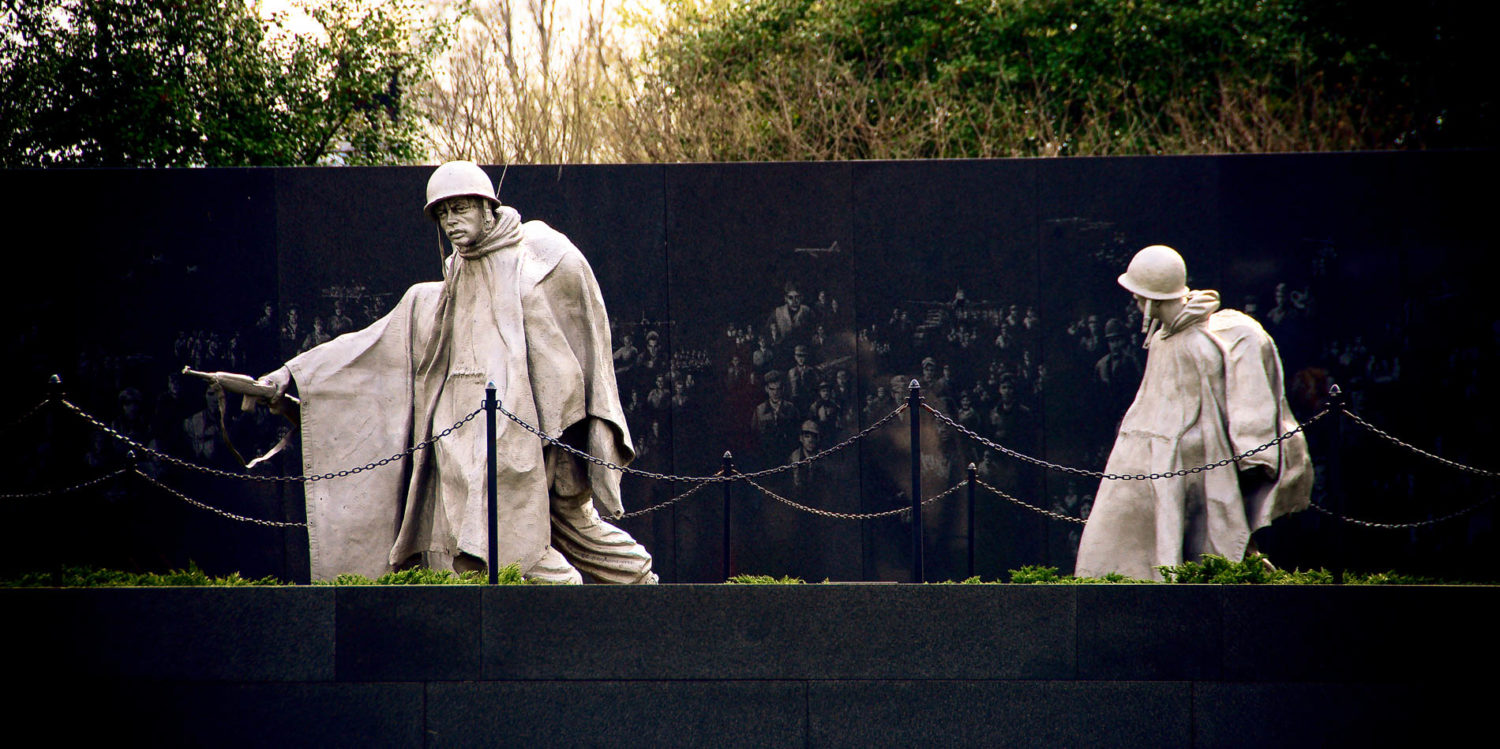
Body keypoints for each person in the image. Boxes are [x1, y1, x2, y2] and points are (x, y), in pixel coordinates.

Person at [257, 161, 654, 584]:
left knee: (567, 525)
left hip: (527, 434)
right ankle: (571, 604)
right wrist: (291, 374)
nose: (450, 222)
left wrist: (572, 425)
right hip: (462, 434)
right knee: (502, 550)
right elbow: (372, 343)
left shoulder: (539, 259)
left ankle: (636, 587)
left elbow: (581, 336)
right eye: (443, 214)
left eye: (460, 209)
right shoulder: (450, 281)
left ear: (487, 208)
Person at [1074, 245, 1312, 580]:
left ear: (1153, 298)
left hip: (1192, 453)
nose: (1136, 302)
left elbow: (1220, 403)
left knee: (1199, 527)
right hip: (1156, 451)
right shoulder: (1163, 339)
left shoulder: (1204, 340)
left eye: (1139, 295)